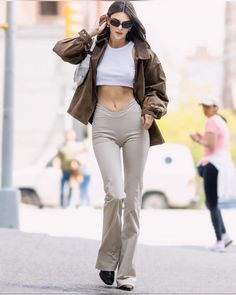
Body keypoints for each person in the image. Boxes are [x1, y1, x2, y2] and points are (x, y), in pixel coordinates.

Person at [53, 0, 168, 291]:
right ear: (108, 21)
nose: (119, 28)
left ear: (133, 25)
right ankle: (107, 259)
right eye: (115, 22)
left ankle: (126, 272)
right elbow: (63, 50)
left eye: (125, 24)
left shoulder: (143, 53)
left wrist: (149, 110)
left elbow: (158, 89)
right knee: (114, 194)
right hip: (102, 122)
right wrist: (93, 31)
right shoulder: (96, 47)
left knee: (132, 199)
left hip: (134, 123)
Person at [190, 97, 235, 252]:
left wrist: (197, 139)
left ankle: (219, 241)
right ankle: (224, 235)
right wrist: (202, 137)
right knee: (212, 203)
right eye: (203, 106)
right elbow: (214, 141)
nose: (205, 109)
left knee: (212, 203)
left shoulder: (212, 121)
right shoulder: (220, 121)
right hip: (220, 164)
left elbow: (211, 144)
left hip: (213, 164)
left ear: (215, 107)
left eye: (207, 107)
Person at [55, 130, 82, 208]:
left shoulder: (76, 146)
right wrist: (58, 169)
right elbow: (58, 158)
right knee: (62, 188)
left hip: (72, 170)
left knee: (71, 187)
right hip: (64, 170)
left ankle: (69, 204)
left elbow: (80, 156)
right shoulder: (62, 147)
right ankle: (62, 204)